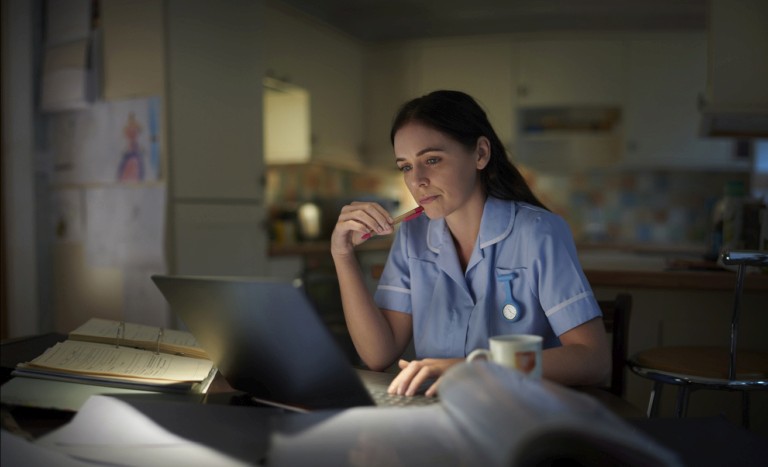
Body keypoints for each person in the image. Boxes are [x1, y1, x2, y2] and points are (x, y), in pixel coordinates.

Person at [331, 90, 610, 397]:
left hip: (521, 416)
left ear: (480, 154)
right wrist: (342, 254)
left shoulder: (539, 232)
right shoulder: (411, 236)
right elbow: (377, 356)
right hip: (439, 415)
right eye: (406, 166)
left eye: (432, 159)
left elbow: (593, 359)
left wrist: (475, 368)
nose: (417, 181)